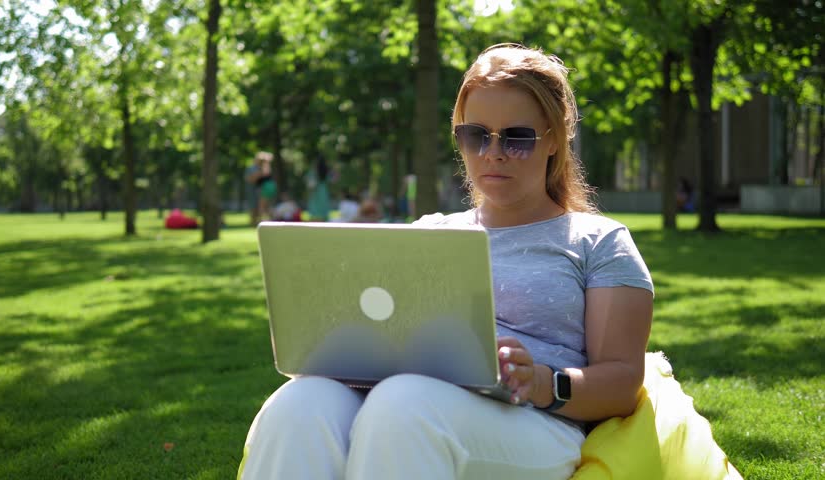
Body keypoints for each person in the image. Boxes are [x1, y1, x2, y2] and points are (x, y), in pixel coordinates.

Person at [238, 44, 654, 480]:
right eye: (476, 135)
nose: (493, 153)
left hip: (536, 422)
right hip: (406, 400)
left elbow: (623, 382)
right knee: (298, 405)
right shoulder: (429, 232)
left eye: (516, 138)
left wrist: (541, 382)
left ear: (553, 138)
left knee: (404, 404)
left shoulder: (599, 242)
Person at [245, 152, 277, 226]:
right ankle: (259, 222)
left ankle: (262, 222)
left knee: (262, 207)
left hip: (265, 188)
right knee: (260, 207)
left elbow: (257, 177)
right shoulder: (257, 167)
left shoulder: (265, 167)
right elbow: (250, 179)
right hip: (261, 188)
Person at [306, 155, 332, 221]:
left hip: (316, 194)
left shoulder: (313, 173)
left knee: (315, 215)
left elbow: (311, 186)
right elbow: (335, 179)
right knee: (323, 214)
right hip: (324, 193)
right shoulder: (326, 172)